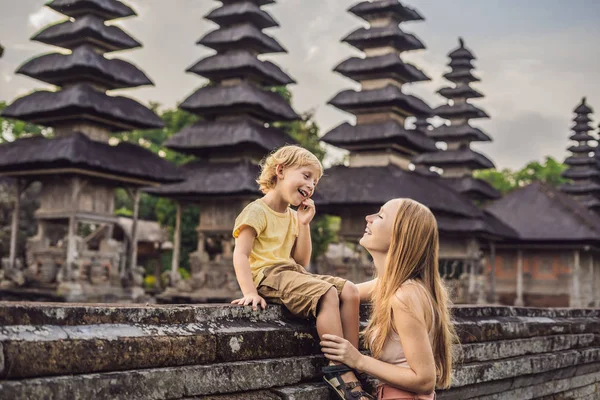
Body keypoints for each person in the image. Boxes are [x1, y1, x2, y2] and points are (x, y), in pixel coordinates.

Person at [231, 145, 373, 400]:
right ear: (281, 170)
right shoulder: (257, 210)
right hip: (268, 275)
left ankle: (352, 360)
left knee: (350, 290)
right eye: (306, 176)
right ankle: (337, 368)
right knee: (327, 293)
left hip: (291, 272)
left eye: (315, 182)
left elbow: (301, 260)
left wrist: (303, 224)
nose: (311, 185)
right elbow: (241, 254)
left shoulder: (292, 215)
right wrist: (250, 292)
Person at [320, 199, 457, 399]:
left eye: (380, 215)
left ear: (400, 236)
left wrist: (357, 360)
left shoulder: (404, 296)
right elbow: (341, 291)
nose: (368, 218)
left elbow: (425, 380)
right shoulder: (391, 286)